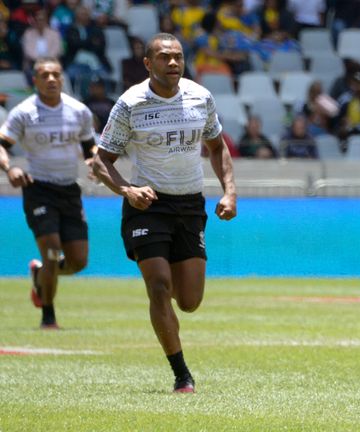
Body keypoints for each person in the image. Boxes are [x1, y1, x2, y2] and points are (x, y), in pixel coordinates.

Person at [92, 33, 237, 393]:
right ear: (147, 63)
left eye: (178, 57)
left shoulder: (200, 97)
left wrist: (230, 193)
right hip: (148, 205)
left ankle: (170, 315)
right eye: (164, 57)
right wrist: (127, 189)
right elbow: (101, 161)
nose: (172, 63)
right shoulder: (130, 104)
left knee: (188, 301)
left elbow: (217, 147)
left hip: (190, 205)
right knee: (159, 287)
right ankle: (181, 375)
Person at [0, 57, 97, 329]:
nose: (51, 79)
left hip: (69, 190)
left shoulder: (79, 111)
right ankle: (48, 318)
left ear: (62, 78)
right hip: (38, 189)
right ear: (36, 80)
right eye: (45, 75)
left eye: (56, 74)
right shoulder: (23, 112)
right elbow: (2, 145)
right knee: (53, 251)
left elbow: (90, 146)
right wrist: (10, 169)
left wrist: (94, 161)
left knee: (77, 261)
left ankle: (40, 273)